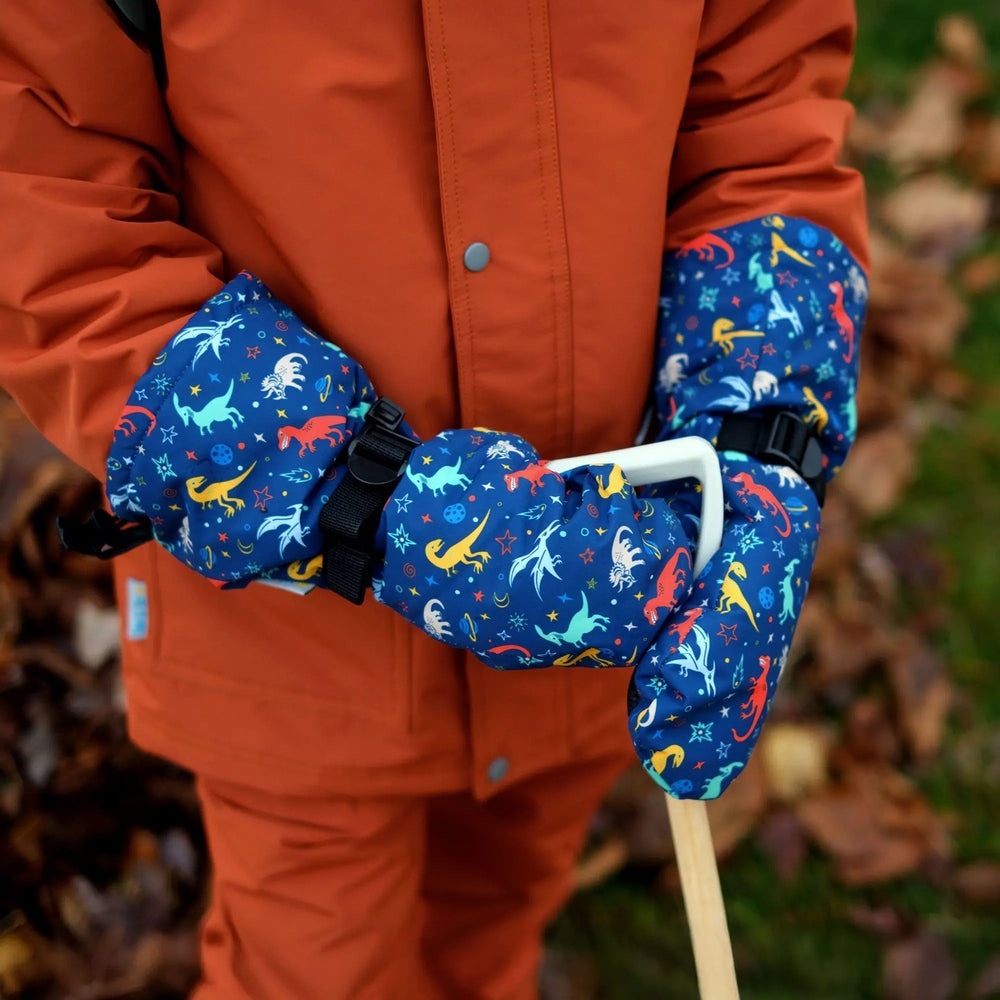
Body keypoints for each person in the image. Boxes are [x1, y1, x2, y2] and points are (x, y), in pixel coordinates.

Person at [0, 3, 869, 998]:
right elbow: (44, 201)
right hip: (300, 639)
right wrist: (349, 491)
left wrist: (758, 431)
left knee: (493, 922)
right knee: (311, 970)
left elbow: (760, 104)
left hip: (604, 583)